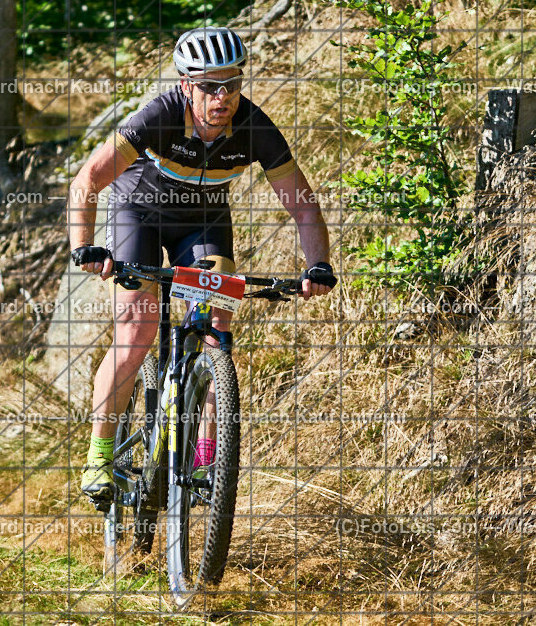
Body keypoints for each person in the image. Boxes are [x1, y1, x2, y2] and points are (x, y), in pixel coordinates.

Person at [66, 26, 336, 508]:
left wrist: (317, 265)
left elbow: (302, 205)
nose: (222, 96)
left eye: (231, 84)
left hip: (204, 225)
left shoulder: (255, 127)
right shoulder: (160, 116)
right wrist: (85, 246)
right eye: (209, 85)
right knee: (138, 329)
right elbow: (89, 178)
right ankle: (100, 454)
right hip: (140, 215)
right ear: (187, 85)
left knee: (216, 332)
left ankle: (207, 461)